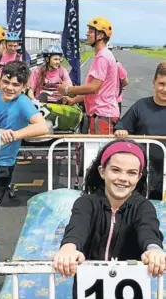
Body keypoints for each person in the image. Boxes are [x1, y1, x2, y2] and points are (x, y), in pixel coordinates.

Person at [53, 139, 165, 299]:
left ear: (139, 176)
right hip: (88, 288)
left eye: (131, 172)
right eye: (116, 170)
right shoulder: (86, 203)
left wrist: (154, 250)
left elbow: (148, 230)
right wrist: (69, 248)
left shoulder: (143, 207)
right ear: (102, 171)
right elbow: (78, 227)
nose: (123, 178)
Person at [0, 60, 48, 212]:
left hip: (3, 166)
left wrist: (14, 135)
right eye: (6, 82)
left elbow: (42, 126)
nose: (9, 88)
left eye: (16, 85)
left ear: (24, 87)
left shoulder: (23, 102)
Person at [58, 17, 119, 134]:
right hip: (101, 114)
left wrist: (67, 89)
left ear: (100, 36)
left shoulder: (103, 57)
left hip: (103, 114)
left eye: (91, 31)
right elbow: (95, 91)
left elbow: (93, 88)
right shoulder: (103, 55)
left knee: (98, 151)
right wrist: (74, 100)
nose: (87, 34)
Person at [114, 61, 166, 200]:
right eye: (161, 84)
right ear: (154, 82)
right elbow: (121, 127)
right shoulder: (140, 106)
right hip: (143, 175)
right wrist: (121, 132)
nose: (165, 89)